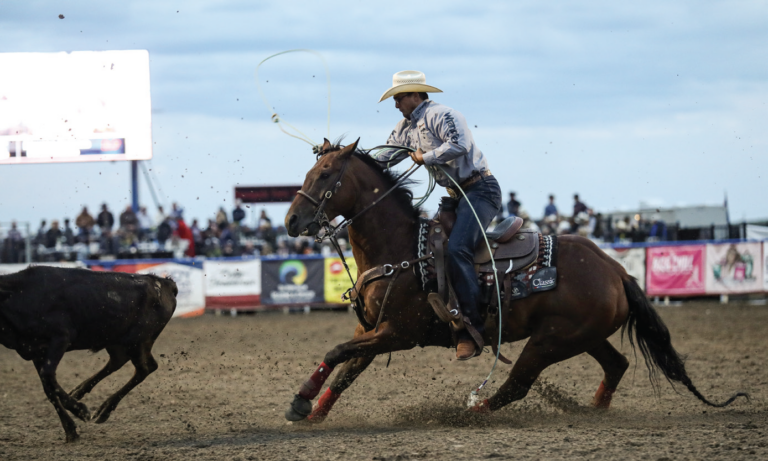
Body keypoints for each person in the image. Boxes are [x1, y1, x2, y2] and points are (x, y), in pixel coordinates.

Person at [376, 70, 501, 360]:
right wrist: (344, 157)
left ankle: (471, 327)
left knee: (457, 249)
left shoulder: (443, 114)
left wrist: (424, 157)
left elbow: (459, 145)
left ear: (415, 95)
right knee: (434, 250)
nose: (396, 105)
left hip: (480, 190)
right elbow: (384, 156)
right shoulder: (404, 128)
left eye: (398, 98)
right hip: (457, 197)